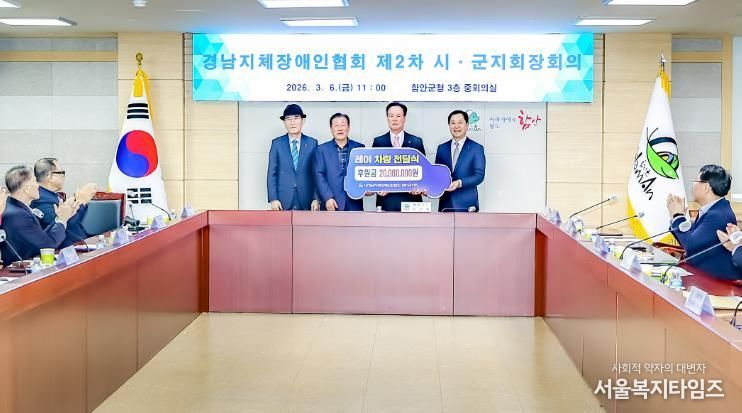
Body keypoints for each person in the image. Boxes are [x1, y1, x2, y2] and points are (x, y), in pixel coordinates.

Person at [667, 164, 738, 280]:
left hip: (715, 282)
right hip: (703, 276)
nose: (693, 186)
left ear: (705, 187)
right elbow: (692, 242)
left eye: (696, 181)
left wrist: (677, 216)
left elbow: (691, 245)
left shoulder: (717, 215)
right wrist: (678, 218)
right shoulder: (714, 209)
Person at [0, 165, 77, 261]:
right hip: (23, 268)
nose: (38, 186)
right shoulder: (18, 215)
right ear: (27, 188)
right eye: (34, 182)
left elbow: (40, 237)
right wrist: (63, 219)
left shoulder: (15, 208)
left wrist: (59, 218)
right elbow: (47, 245)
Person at [31, 158, 97, 248]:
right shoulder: (39, 199)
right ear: (50, 176)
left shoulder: (51, 194)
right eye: (61, 173)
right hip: (66, 249)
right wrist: (81, 202)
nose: (64, 176)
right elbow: (63, 225)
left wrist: (77, 199)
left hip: (81, 243)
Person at [372, 101, 426, 211]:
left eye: (398, 116)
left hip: (411, 201)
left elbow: (424, 171)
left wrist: (420, 186)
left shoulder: (416, 142)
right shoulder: (379, 142)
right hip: (386, 201)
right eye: (391, 116)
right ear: (387, 118)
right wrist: (377, 187)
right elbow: (373, 171)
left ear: (404, 118)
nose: (394, 119)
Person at [267, 104, 320, 211]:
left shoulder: (312, 143)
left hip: (307, 200)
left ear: (303, 120)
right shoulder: (277, 144)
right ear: (284, 122)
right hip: (282, 200)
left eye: (296, 118)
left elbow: (316, 173)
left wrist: (316, 198)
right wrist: (273, 199)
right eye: (288, 119)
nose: (292, 122)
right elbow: (272, 173)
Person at [435, 110, 486, 212]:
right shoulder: (442, 148)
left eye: (460, 122)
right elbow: (437, 174)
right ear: (449, 125)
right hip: (445, 205)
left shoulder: (476, 148)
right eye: (453, 123)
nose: (456, 126)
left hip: (467, 205)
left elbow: (479, 176)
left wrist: (459, 183)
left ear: (467, 125)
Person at [313, 113, 365, 211]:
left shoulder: (359, 148)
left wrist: (368, 188)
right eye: (336, 125)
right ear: (331, 129)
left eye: (343, 125)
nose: (340, 129)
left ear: (348, 127)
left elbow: (365, 173)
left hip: (354, 203)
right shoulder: (321, 150)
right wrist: (327, 197)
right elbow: (318, 175)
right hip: (331, 203)